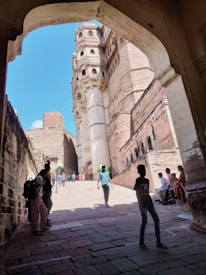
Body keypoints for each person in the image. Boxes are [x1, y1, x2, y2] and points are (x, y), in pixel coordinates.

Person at [134, 164, 167, 250]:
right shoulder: (138, 180)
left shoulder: (147, 180)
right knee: (144, 222)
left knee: (156, 220)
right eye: (142, 170)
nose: (143, 172)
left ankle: (158, 242)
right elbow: (138, 193)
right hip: (143, 203)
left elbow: (147, 192)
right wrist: (140, 205)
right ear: (139, 172)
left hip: (149, 202)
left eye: (144, 170)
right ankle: (141, 243)